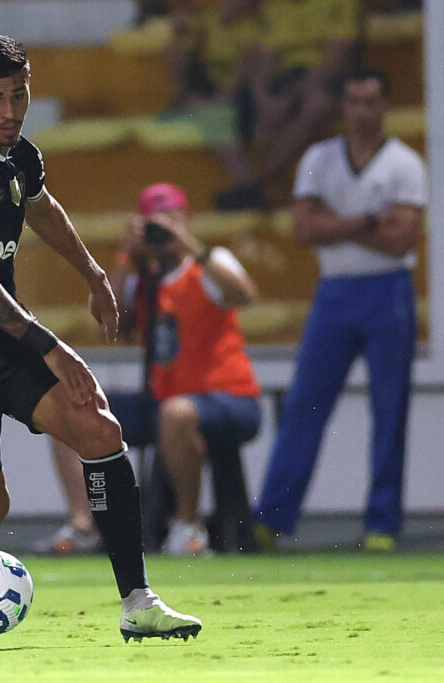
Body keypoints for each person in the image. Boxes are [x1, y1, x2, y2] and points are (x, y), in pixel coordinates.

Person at [0, 35, 202, 643]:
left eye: (20, 95)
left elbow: (41, 206)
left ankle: (137, 600)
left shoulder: (17, 154)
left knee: (100, 431)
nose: (10, 111)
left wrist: (95, 274)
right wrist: (51, 344)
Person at [37, 183, 261, 557]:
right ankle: (83, 524)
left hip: (229, 397)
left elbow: (244, 296)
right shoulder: (145, 278)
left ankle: (185, 528)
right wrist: (126, 256)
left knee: (176, 414)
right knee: (67, 408)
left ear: (186, 220)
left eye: (171, 220)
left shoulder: (210, 261)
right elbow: (111, 325)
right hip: (163, 399)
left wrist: (186, 245)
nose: (164, 230)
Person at [253, 68, 427, 552]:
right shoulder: (319, 157)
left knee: (390, 410)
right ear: (342, 107)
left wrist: (337, 223)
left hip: (387, 290)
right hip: (334, 290)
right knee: (305, 404)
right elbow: (304, 229)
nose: (362, 112)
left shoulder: (405, 164)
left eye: (372, 102)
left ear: (385, 106)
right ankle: (272, 517)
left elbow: (402, 240)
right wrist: (371, 219)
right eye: (354, 101)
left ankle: (381, 525)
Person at [213, 0, 360, 210]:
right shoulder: (274, 5)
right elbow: (266, 53)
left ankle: (256, 184)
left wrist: (294, 94)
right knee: (222, 113)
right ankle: (252, 185)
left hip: (322, 78)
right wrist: (262, 96)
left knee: (318, 105)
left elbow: (337, 53)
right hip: (284, 78)